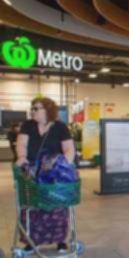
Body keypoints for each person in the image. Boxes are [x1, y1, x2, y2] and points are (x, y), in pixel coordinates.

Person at [16, 97, 76, 253]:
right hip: (32, 172)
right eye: (32, 108)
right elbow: (21, 143)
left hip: (53, 174)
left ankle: (61, 241)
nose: (32, 111)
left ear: (47, 110)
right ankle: (31, 241)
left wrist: (63, 166)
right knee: (32, 207)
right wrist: (22, 157)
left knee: (57, 207)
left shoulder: (60, 127)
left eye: (36, 108)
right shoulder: (28, 125)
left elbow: (69, 149)